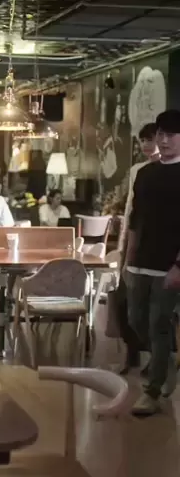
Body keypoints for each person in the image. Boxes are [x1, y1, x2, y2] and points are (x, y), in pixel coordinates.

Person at [124, 110, 180, 416]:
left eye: (171, 135)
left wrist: (178, 267)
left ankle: (152, 391)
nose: (164, 140)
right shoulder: (145, 173)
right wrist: (128, 258)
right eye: (161, 134)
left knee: (158, 324)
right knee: (136, 321)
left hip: (169, 265)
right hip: (140, 261)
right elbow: (136, 218)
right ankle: (166, 360)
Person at [117, 123, 160, 375]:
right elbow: (130, 209)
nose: (146, 144)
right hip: (134, 238)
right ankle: (131, 353)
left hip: (158, 244)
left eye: (150, 139)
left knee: (154, 307)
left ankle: (156, 358)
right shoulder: (137, 170)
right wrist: (123, 245)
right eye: (142, 140)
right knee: (124, 301)